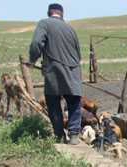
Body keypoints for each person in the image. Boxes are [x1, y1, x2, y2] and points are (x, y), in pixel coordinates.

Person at [29, 3, 82, 145]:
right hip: (74, 70)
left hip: (55, 70)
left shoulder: (44, 23)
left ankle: (59, 135)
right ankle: (74, 135)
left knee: (53, 102)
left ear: (49, 13)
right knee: (74, 102)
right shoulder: (70, 28)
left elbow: (36, 44)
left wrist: (32, 60)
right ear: (62, 13)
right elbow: (78, 53)